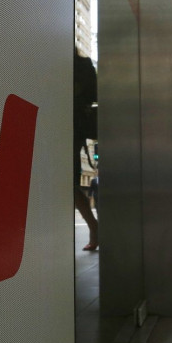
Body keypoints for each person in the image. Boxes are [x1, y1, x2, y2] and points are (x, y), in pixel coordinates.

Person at [74, 50, 98, 251]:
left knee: (68, 185)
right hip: (71, 129)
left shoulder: (82, 64)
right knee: (68, 185)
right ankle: (94, 227)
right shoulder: (84, 64)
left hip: (70, 128)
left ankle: (95, 227)